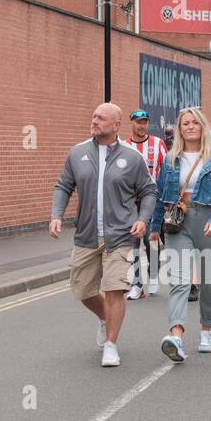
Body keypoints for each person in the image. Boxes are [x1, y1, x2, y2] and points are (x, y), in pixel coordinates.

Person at [51, 103, 158, 368]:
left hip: (120, 234)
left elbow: (148, 191)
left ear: (115, 125)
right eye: (93, 116)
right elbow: (64, 185)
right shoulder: (77, 153)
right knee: (84, 290)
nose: (94, 121)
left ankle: (111, 344)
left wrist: (142, 220)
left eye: (100, 118)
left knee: (115, 289)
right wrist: (56, 214)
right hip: (86, 234)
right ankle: (104, 318)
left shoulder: (132, 157)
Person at [150, 107, 211, 362]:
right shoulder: (171, 159)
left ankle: (206, 330)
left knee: (208, 283)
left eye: (195, 122)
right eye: (185, 123)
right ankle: (176, 336)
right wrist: (154, 227)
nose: (191, 126)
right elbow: (160, 194)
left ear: (202, 126)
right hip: (178, 221)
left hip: (208, 220)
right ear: (179, 128)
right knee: (179, 281)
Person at [122, 109, 167, 300]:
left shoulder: (158, 144)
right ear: (131, 123)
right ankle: (137, 284)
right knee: (133, 243)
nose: (142, 126)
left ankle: (154, 274)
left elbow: (166, 171)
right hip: (131, 202)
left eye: (145, 122)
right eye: (139, 122)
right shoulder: (123, 146)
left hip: (153, 200)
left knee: (151, 240)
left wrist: (165, 199)